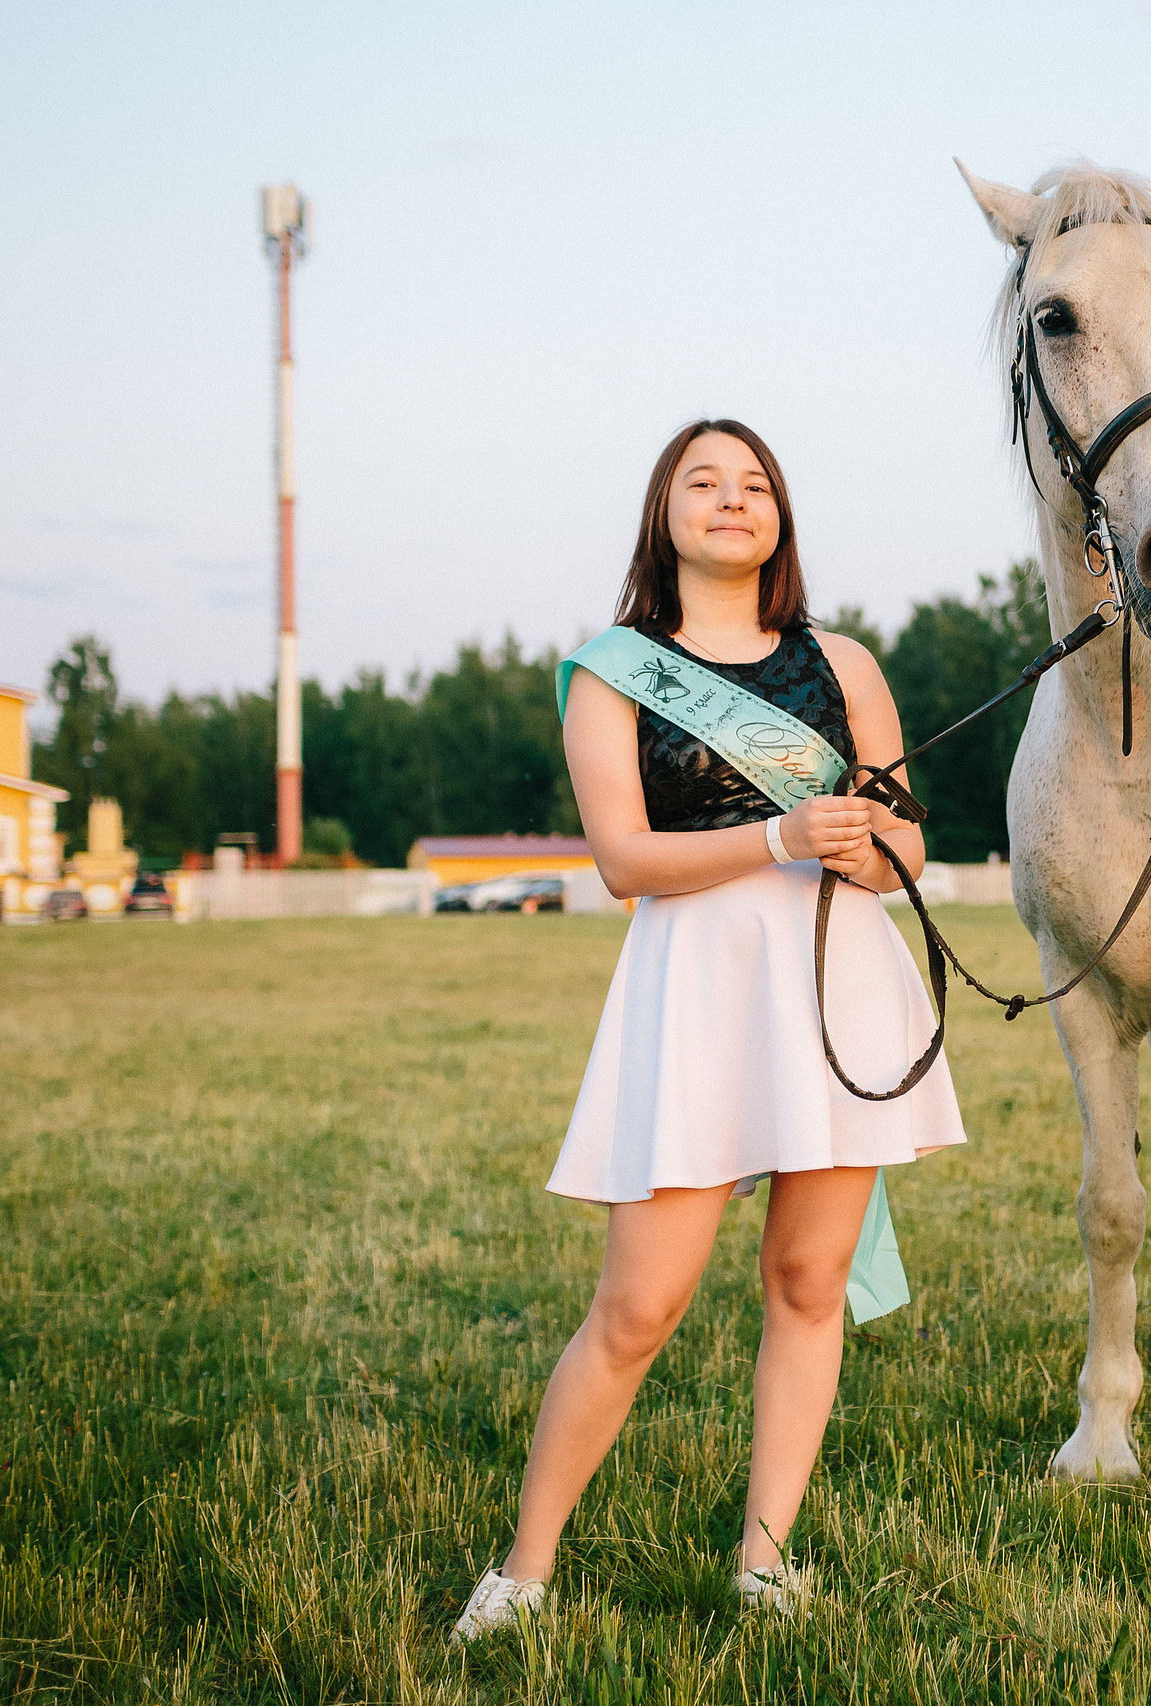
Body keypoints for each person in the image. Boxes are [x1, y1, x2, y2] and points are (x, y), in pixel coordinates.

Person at [454, 419, 965, 1639]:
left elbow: (908, 852)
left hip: (835, 981)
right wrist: (783, 835)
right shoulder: (614, 667)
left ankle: (765, 1559)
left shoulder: (843, 662)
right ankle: (523, 1568)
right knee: (637, 1306)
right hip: (694, 989)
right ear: (664, 511)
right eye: (704, 482)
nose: (731, 501)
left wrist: (871, 839)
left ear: (779, 518)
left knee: (806, 1280)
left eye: (754, 486)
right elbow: (625, 860)